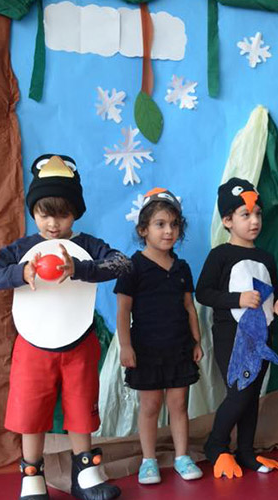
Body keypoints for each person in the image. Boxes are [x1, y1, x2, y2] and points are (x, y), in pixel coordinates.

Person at [0, 154, 127, 500]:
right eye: (44, 214)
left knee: (81, 408)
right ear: (33, 211)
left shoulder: (87, 246)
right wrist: (20, 272)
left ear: (76, 213)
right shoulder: (23, 249)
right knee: (30, 412)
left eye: (63, 214)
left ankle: (86, 475)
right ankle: (32, 478)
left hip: (80, 343)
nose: (53, 224)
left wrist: (81, 268)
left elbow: (122, 264)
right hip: (33, 346)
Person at [195, 177, 278, 479]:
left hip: (262, 337)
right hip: (232, 337)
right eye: (245, 215)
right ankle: (216, 445)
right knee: (239, 393)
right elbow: (203, 293)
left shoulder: (265, 257)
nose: (254, 221)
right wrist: (237, 298)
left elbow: (273, 292)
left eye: (257, 214)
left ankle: (246, 451)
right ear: (227, 221)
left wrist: (277, 305)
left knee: (251, 396)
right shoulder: (220, 255)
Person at [116, 188, 204, 484]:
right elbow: (123, 310)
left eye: (174, 225)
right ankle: (149, 460)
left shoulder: (182, 268)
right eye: (160, 224)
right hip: (146, 350)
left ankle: (182, 456)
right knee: (151, 406)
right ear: (143, 230)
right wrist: (125, 346)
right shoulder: (132, 267)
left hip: (178, 347)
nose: (169, 231)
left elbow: (189, 307)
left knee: (178, 405)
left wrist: (196, 341)